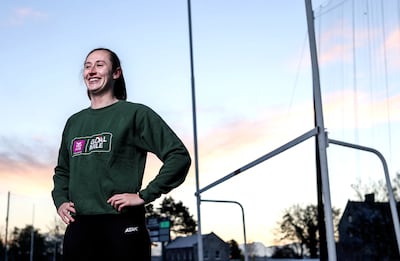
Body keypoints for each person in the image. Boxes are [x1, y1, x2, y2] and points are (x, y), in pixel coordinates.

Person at [51, 47, 191, 261]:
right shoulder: (74, 122)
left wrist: (145, 195)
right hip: (79, 228)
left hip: (121, 226)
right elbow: (63, 170)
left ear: (116, 73)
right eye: (87, 66)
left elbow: (178, 156)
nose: (91, 71)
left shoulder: (135, 114)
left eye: (99, 65)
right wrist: (60, 199)